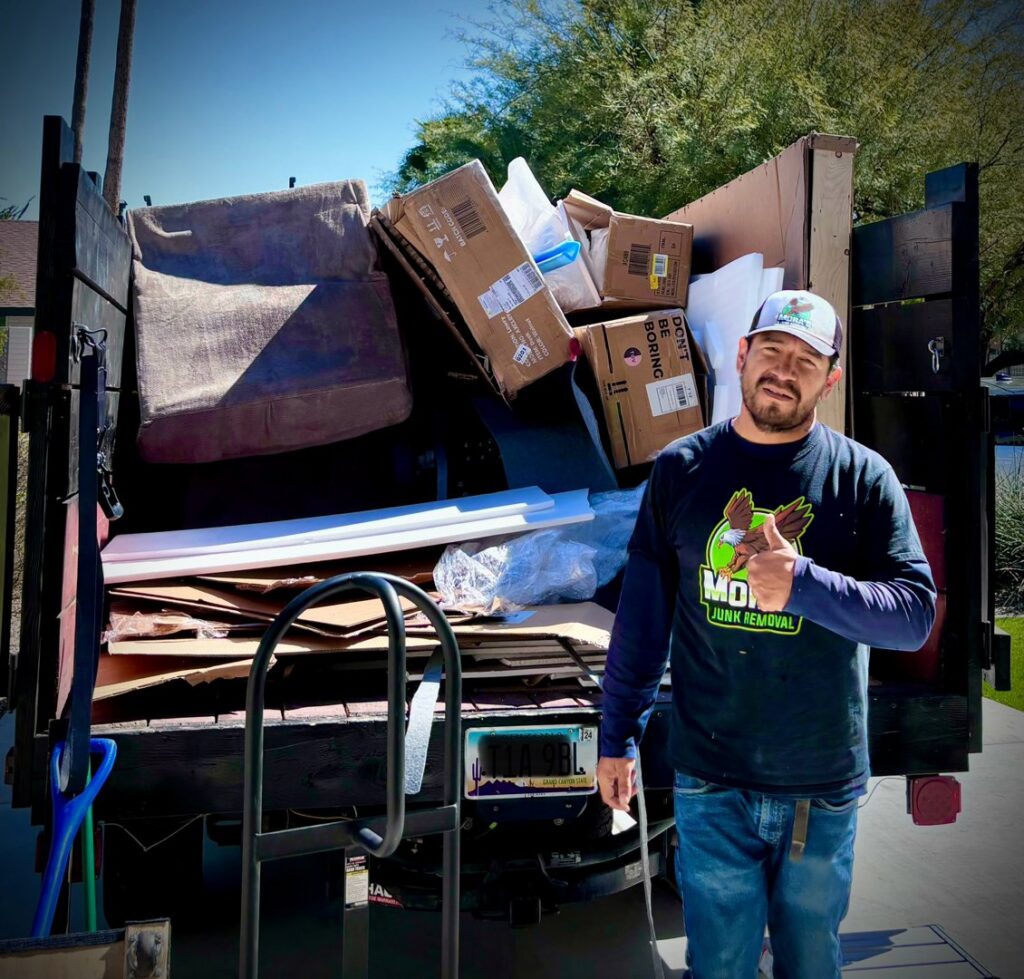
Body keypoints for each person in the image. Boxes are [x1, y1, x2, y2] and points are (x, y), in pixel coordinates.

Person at [596, 290, 936, 979]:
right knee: (720, 964)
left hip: (820, 782)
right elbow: (642, 620)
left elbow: (913, 614)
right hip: (710, 780)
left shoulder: (862, 478)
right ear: (743, 355)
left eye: (805, 361)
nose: (784, 371)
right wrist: (616, 736)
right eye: (772, 351)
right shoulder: (681, 470)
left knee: (811, 963)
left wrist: (803, 584)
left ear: (829, 378)